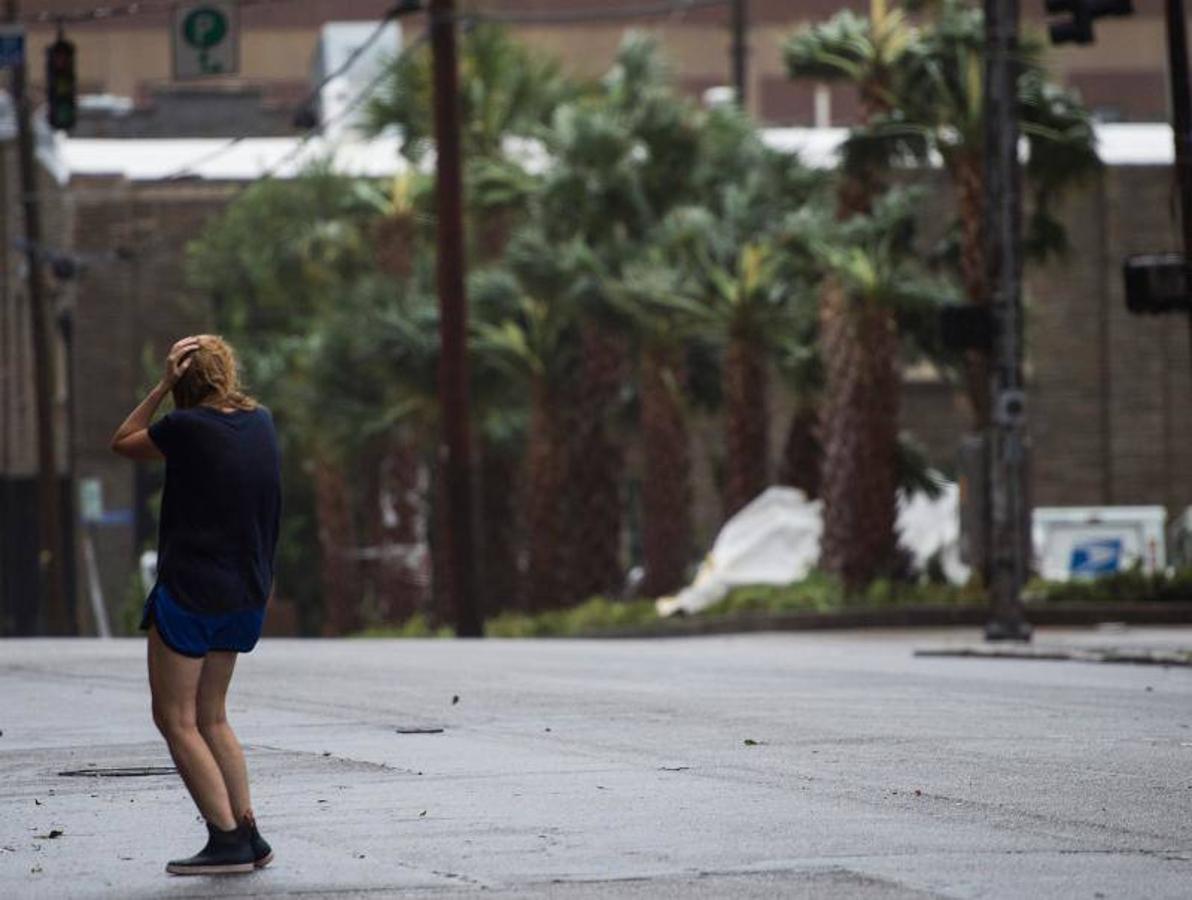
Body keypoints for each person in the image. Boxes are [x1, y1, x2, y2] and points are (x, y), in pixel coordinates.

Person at [110, 334, 281, 876]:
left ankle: (225, 837)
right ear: (228, 373)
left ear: (184, 382)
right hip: (246, 592)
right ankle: (249, 834)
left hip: (191, 592)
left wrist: (160, 386)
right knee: (212, 716)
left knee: (175, 718)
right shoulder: (262, 423)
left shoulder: (184, 428)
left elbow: (123, 440)